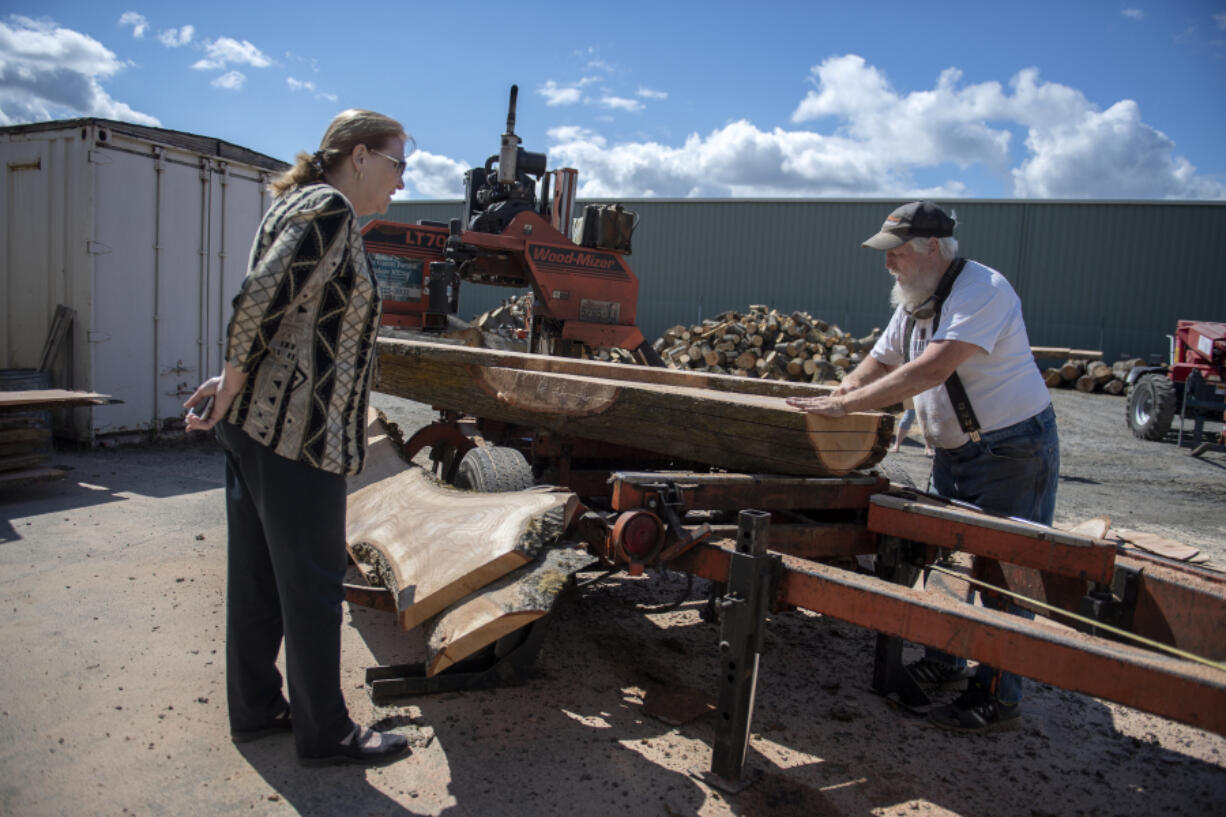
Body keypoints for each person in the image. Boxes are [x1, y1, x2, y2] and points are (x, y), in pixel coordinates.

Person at [185, 109, 412, 765]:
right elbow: (261, 296)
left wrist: (232, 381)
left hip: (256, 429)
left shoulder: (301, 204)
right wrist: (230, 380)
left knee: (257, 579)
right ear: (361, 155)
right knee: (312, 586)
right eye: (398, 164)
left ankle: (256, 707)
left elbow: (284, 311)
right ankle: (327, 731)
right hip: (297, 439)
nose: (401, 183)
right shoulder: (331, 211)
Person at [786, 201, 1059, 734]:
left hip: (1011, 451)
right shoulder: (916, 299)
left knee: (1004, 575)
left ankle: (1000, 696)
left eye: (899, 253)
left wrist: (850, 408)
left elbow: (933, 368)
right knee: (949, 563)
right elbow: (884, 359)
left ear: (934, 248)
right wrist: (844, 389)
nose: (890, 264)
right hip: (956, 451)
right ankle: (947, 662)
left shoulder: (983, 290)